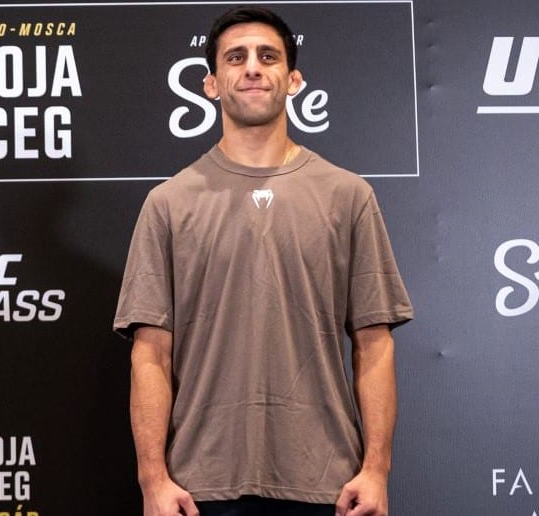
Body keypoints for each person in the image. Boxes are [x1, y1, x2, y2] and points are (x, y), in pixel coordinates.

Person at [113, 7, 412, 516]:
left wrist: (376, 469)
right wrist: (153, 479)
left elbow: (374, 345)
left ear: (292, 79)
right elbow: (150, 356)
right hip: (199, 489)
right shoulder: (168, 203)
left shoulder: (348, 196)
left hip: (327, 486)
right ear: (210, 83)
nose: (252, 67)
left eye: (267, 56)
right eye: (236, 57)